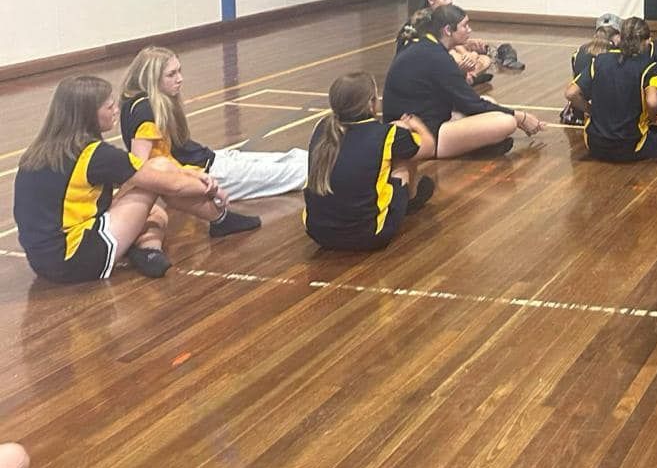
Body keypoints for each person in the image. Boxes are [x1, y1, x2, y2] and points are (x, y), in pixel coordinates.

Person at [17, 76, 256, 284]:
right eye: (110, 106)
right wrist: (212, 188)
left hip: (41, 262)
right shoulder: (95, 154)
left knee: (157, 214)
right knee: (156, 178)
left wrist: (192, 173)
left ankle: (148, 251)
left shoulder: (36, 152)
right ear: (89, 114)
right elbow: (169, 184)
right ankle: (221, 218)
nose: (116, 111)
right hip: (75, 258)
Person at [121, 46, 308, 201]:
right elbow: (141, 167)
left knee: (285, 160)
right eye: (171, 74)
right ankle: (328, 170)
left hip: (208, 158)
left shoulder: (137, 104)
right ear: (151, 79)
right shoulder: (145, 112)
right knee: (288, 174)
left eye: (179, 71)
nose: (180, 79)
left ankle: (323, 162)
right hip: (204, 172)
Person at [382, 3, 543, 159]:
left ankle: (479, 144)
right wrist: (520, 117)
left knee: (488, 101)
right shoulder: (437, 57)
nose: (469, 30)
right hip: (420, 132)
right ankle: (474, 147)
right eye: (465, 26)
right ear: (447, 30)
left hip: (423, 118)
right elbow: (471, 104)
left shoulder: (427, 47)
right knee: (506, 122)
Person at [303, 73, 437, 252]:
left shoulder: (322, 127)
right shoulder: (388, 134)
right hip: (368, 235)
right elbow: (429, 147)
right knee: (402, 160)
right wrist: (414, 124)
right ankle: (410, 201)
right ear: (371, 103)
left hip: (318, 233)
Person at [567, 17, 657, 162]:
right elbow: (652, 103)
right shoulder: (650, 67)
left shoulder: (600, 60)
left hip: (595, 145)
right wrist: (654, 118)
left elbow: (571, 93)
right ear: (647, 41)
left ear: (621, 38)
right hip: (632, 147)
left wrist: (590, 110)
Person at [412, 0, 525, 82]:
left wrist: (469, 45)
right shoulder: (426, 20)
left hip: (444, 54)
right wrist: (471, 54)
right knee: (476, 60)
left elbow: (450, 41)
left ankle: (466, 77)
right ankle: (465, 79)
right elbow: (443, 45)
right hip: (434, 60)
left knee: (485, 58)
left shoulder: (443, 17)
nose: (450, 2)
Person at [560, 13, 623, 126]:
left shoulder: (580, 51)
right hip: (606, 118)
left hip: (576, 114)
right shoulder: (616, 56)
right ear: (618, 35)